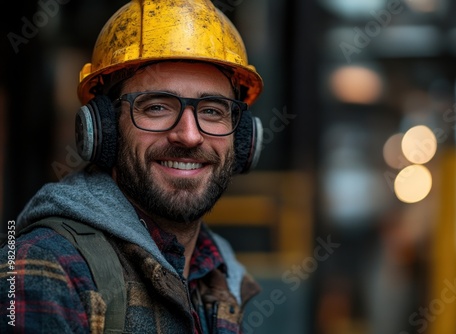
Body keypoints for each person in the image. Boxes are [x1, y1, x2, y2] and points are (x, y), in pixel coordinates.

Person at [0, 0, 265, 332]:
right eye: (156, 107)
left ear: (243, 139)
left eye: (212, 111)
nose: (189, 135)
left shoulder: (223, 276)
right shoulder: (43, 269)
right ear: (103, 130)